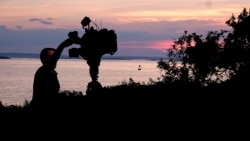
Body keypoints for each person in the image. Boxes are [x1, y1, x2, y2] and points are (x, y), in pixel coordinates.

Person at [30, 38, 73, 107]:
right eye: (51, 57)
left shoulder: (51, 72)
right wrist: (63, 45)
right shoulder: (42, 71)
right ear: (44, 60)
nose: (55, 60)